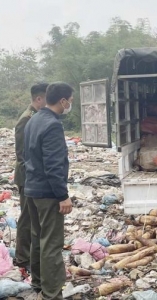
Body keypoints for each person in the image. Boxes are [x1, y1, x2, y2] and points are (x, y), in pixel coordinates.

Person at [24, 82, 74, 300]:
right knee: (52, 244)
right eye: (70, 101)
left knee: (38, 238)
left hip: (32, 189)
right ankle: (52, 293)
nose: (70, 104)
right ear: (62, 101)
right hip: (48, 193)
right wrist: (62, 195)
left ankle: (37, 284)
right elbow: (53, 165)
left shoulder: (33, 120)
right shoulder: (53, 125)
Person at [14, 83, 48, 271]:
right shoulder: (26, 119)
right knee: (27, 218)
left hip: (33, 177)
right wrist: (32, 178)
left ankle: (31, 256)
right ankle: (22, 258)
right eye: (47, 99)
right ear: (38, 99)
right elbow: (22, 154)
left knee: (34, 218)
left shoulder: (36, 117)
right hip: (27, 178)